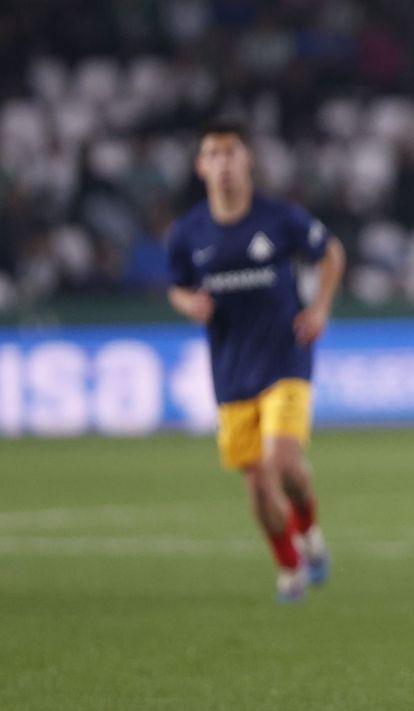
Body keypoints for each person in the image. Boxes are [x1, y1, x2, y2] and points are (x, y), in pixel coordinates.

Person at [166, 121, 346, 603]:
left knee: (282, 460)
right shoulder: (188, 233)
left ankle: (309, 533)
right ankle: (289, 567)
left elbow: (330, 253)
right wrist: (190, 306)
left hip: (286, 355)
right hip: (231, 369)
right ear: (201, 167)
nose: (224, 163)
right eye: (214, 154)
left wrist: (321, 307)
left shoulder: (279, 217)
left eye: (232, 152)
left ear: (248, 161)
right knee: (258, 485)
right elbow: (178, 287)